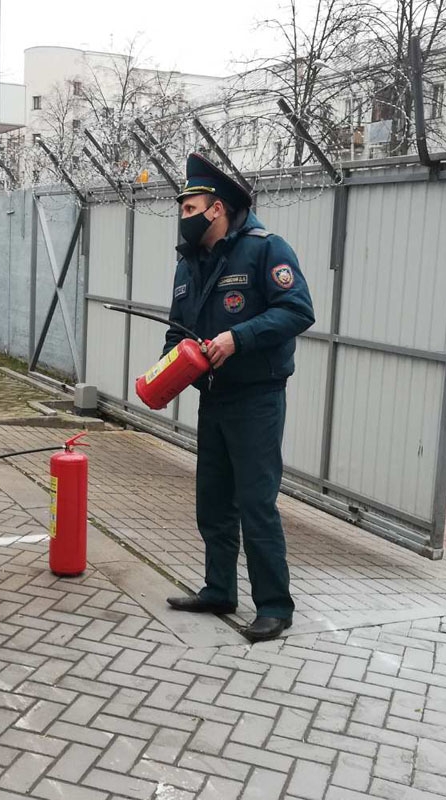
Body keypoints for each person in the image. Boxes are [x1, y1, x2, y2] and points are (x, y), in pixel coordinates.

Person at [162, 153, 315, 643]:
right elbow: (177, 330)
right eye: (181, 210)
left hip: (257, 399)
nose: (184, 218)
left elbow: (298, 310)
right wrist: (165, 373)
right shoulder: (190, 263)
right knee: (213, 500)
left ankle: (274, 605)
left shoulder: (265, 250)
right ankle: (219, 589)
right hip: (215, 399)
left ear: (219, 209)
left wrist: (238, 338)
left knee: (256, 502)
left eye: (191, 209)